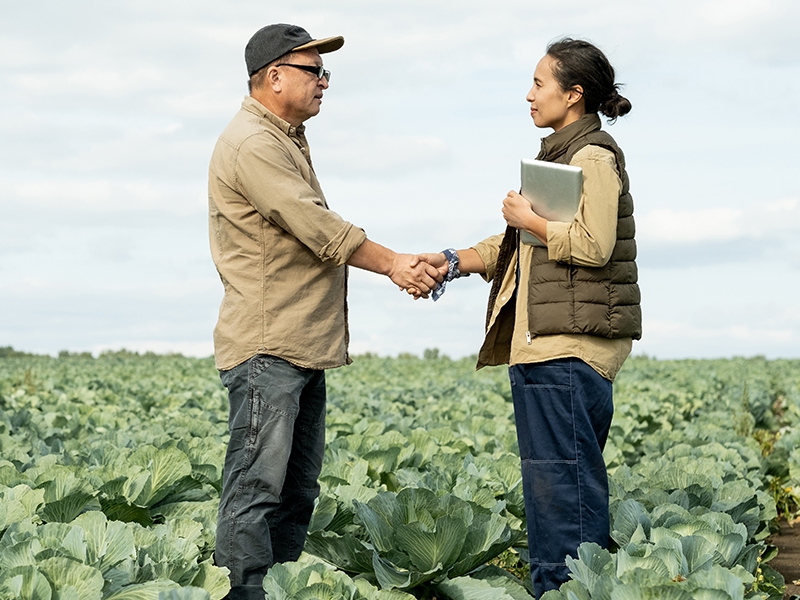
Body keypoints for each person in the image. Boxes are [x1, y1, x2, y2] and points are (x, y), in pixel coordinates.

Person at [207, 23, 443, 600]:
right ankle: (244, 592)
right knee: (257, 485)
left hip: (297, 346)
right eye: (315, 73)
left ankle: (277, 587)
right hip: (269, 346)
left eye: (324, 73)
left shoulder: (283, 138)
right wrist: (394, 263)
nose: (324, 85)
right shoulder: (254, 144)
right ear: (274, 77)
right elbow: (317, 227)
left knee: (295, 489)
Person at [414, 38, 641, 598]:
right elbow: (517, 244)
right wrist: (450, 262)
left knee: (563, 494)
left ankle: (563, 592)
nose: (529, 94)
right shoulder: (561, 156)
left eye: (539, 84)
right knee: (559, 488)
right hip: (551, 347)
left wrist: (527, 218)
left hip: (566, 349)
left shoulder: (593, 156)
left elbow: (592, 245)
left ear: (574, 94)